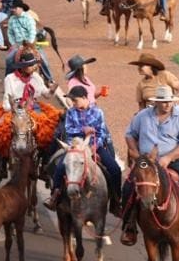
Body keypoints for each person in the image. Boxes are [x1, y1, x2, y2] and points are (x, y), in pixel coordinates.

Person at [121, 86, 179, 248]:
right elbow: (130, 134)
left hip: (175, 159)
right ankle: (129, 226)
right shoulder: (142, 116)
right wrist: (134, 151)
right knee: (127, 188)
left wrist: (168, 157)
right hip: (146, 160)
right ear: (156, 102)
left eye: (169, 101)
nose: (167, 105)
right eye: (163, 102)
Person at [43, 85, 121, 214]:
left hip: (94, 145)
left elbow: (102, 132)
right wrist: (82, 130)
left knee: (115, 169)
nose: (73, 103)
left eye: (75, 100)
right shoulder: (71, 112)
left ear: (85, 98)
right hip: (75, 147)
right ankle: (55, 195)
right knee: (60, 167)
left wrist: (95, 146)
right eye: (72, 101)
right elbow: (68, 130)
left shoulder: (98, 112)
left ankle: (116, 201)